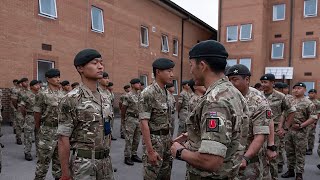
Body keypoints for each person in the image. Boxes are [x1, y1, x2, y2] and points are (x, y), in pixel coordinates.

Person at [170, 40, 249, 179]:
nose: (190, 71)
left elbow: (211, 161)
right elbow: (229, 132)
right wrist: (195, 134)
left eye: (191, 65)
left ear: (202, 66)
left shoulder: (215, 101)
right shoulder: (232, 91)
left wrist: (179, 151)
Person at [57, 49, 114, 180]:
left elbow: (108, 129)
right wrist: (65, 173)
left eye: (101, 63)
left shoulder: (105, 96)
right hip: (84, 165)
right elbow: (63, 138)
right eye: (94, 63)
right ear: (80, 68)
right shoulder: (71, 98)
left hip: (105, 162)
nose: (100, 66)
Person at [226, 64, 271, 179]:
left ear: (247, 80)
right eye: (229, 80)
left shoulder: (258, 102)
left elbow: (260, 135)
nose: (231, 83)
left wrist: (246, 158)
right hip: (228, 158)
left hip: (249, 159)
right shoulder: (227, 98)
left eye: (235, 80)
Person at [139, 58, 175, 179]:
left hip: (166, 140)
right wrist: (150, 151)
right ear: (158, 72)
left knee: (166, 175)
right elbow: (144, 123)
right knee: (152, 175)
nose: (172, 74)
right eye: (169, 71)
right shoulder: (148, 93)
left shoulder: (168, 94)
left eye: (172, 71)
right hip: (154, 141)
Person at [260, 74, 296, 180]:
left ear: (272, 83)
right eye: (261, 82)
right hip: (259, 129)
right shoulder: (258, 95)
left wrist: (284, 128)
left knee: (272, 158)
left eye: (265, 82)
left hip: (274, 131)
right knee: (259, 156)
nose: (263, 84)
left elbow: (291, 111)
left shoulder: (281, 96)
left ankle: (273, 177)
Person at [281, 83, 317, 180]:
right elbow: (284, 114)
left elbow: (313, 117)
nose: (296, 90)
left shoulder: (308, 103)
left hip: (301, 132)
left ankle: (299, 173)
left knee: (300, 153)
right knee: (289, 151)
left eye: (299, 88)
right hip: (289, 130)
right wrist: (282, 127)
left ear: (304, 90)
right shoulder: (289, 101)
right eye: (295, 88)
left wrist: (301, 125)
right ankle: (290, 170)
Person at [34, 69, 63, 180]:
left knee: (59, 161)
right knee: (43, 162)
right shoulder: (42, 94)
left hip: (60, 130)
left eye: (59, 76)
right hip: (47, 130)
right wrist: (39, 128)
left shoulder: (62, 94)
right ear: (48, 79)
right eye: (55, 77)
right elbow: (37, 113)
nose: (58, 79)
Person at [121, 78, 142, 166]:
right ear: (132, 85)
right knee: (129, 139)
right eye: (137, 83)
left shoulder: (140, 94)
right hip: (130, 119)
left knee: (137, 138)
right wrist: (123, 119)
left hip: (138, 119)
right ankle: (127, 157)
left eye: (139, 83)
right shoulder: (128, 96)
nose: (139, 85)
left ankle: (134, 154)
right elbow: (123, 108)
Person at [19, 80, 40, 161]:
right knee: (28, 136)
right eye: (36, 85)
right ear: (31, 86)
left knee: (39, 136)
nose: (38, 86)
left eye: (38, 85)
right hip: (30, 116)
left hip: (39, 117)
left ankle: (39, 153)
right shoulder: (26, 95)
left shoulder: (41, 94)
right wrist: (26, 116)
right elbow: (22, 107)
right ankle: (27, 152)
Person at [305, 89, 320, 155]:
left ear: (316, 94)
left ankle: (310, 148)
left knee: (311, 135)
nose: (311, 94)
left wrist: (315, 122)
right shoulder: (306, 101)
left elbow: (318, 113)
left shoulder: (317, 103)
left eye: (312, 93)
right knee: (304, 135)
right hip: (305, 120)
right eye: (310, 93)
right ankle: (304, 148)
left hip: (312, 121)